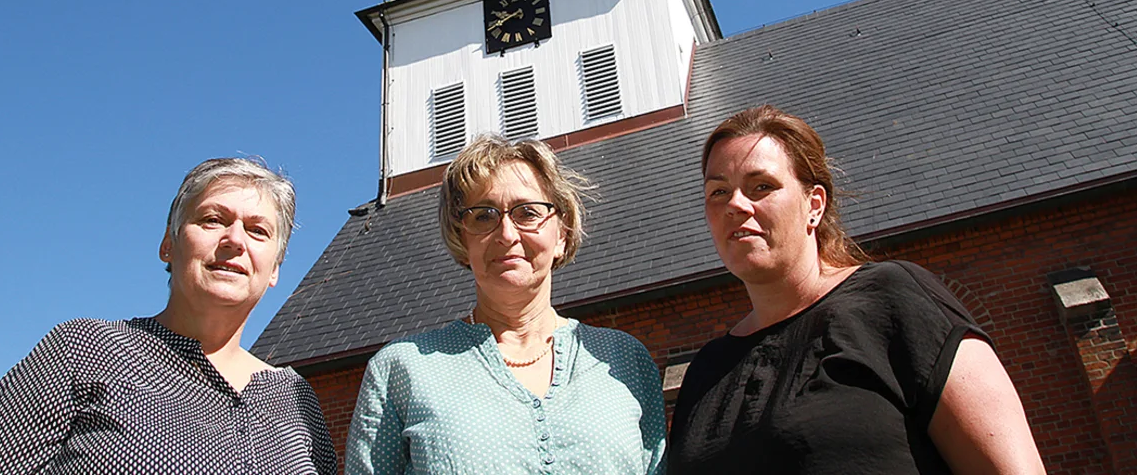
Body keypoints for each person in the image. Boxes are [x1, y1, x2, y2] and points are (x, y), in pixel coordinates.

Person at [667, 106, 1045, 474]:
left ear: (813, 205)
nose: (735, 204)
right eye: (718, 192)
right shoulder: (706, 371)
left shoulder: (892, 301)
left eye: (761, 186)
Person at [0, 158, 337, 475]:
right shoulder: (82, 351)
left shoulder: (297, 401)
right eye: (212, 220)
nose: (235, 240)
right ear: (168, 245)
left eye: (257, 230)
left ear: (275, 269)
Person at [346, 135, 666, 474]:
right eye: (483, 216)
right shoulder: (402, 370)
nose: (507, 234)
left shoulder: (624, 360)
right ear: (461, 238)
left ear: (562, 234)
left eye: (528, 212)